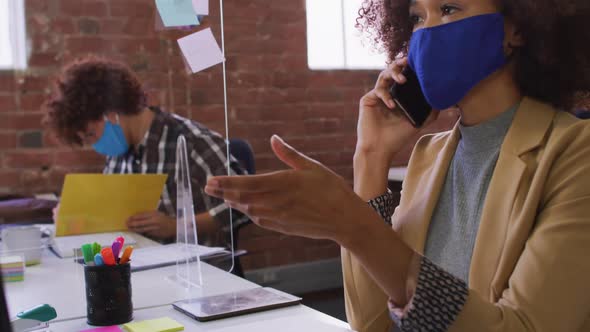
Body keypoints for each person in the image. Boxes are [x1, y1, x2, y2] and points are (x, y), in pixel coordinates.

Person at [204, 0, 590, 331]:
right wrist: (371, 158)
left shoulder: (575, 153)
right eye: (417, 16)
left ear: (517, 28)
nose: (427, 33)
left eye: (449, 9)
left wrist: (350, 224)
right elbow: (373, 324)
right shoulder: (428, 154)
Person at [44, 56, 248, 245]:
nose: (95, 144)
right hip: (141, 265)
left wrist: (176, 226)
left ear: (110, 113)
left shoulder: (191, 142)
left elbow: (244, 205)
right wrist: (76, 216)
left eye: (90, 134)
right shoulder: (118, 155)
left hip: (199, 273)